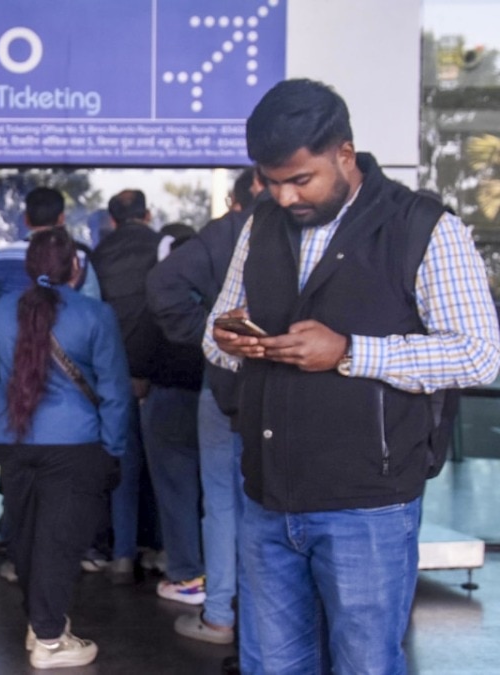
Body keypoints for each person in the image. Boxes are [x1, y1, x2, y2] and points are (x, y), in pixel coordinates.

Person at [207, 79, 500, 674]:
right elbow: (218, 330)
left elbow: (479, 355)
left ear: (345, 153)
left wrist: (350, 352)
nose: (285, 196)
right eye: (271, 181)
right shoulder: (260, 225)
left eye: (300, 179)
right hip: (266, 497)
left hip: (368, 507)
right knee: (270, 667)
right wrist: (228, 340)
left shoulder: (424, 227)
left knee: (365, 666)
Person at [0, 227, 132, 670]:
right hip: (75, 442)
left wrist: (4, 418)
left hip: (13, 440)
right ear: (76, 268)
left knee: (25, 535)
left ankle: (40, 622)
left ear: (29, 268)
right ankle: (48, 639)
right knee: (59, 541)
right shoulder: (95, 314)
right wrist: (113, 448)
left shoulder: (3, 311)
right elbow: (114, 390)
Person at [147, 168, 264, 660]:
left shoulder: (228, 232)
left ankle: (219, 615)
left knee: (221, 504)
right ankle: (266, 623)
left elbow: (163, 284)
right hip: (292, 390)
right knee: (273, 505)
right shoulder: (324, 227)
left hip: (225, 386)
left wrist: (216, 337)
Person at [86, 189, 164, 584]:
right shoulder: (162, 249)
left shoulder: (98, 256)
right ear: (147, 214)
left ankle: (121, 554)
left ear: (113, 219)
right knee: (166, 470)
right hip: (158, 376)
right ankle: (162, 549)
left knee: (122, 464)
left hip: (111, 374)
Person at [0, 186, 102, 325]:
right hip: (67, 337)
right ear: (61, 219)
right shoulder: (78, 259)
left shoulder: (1, 257)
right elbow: (93, 309)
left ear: (26, 219)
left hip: (9, 337)